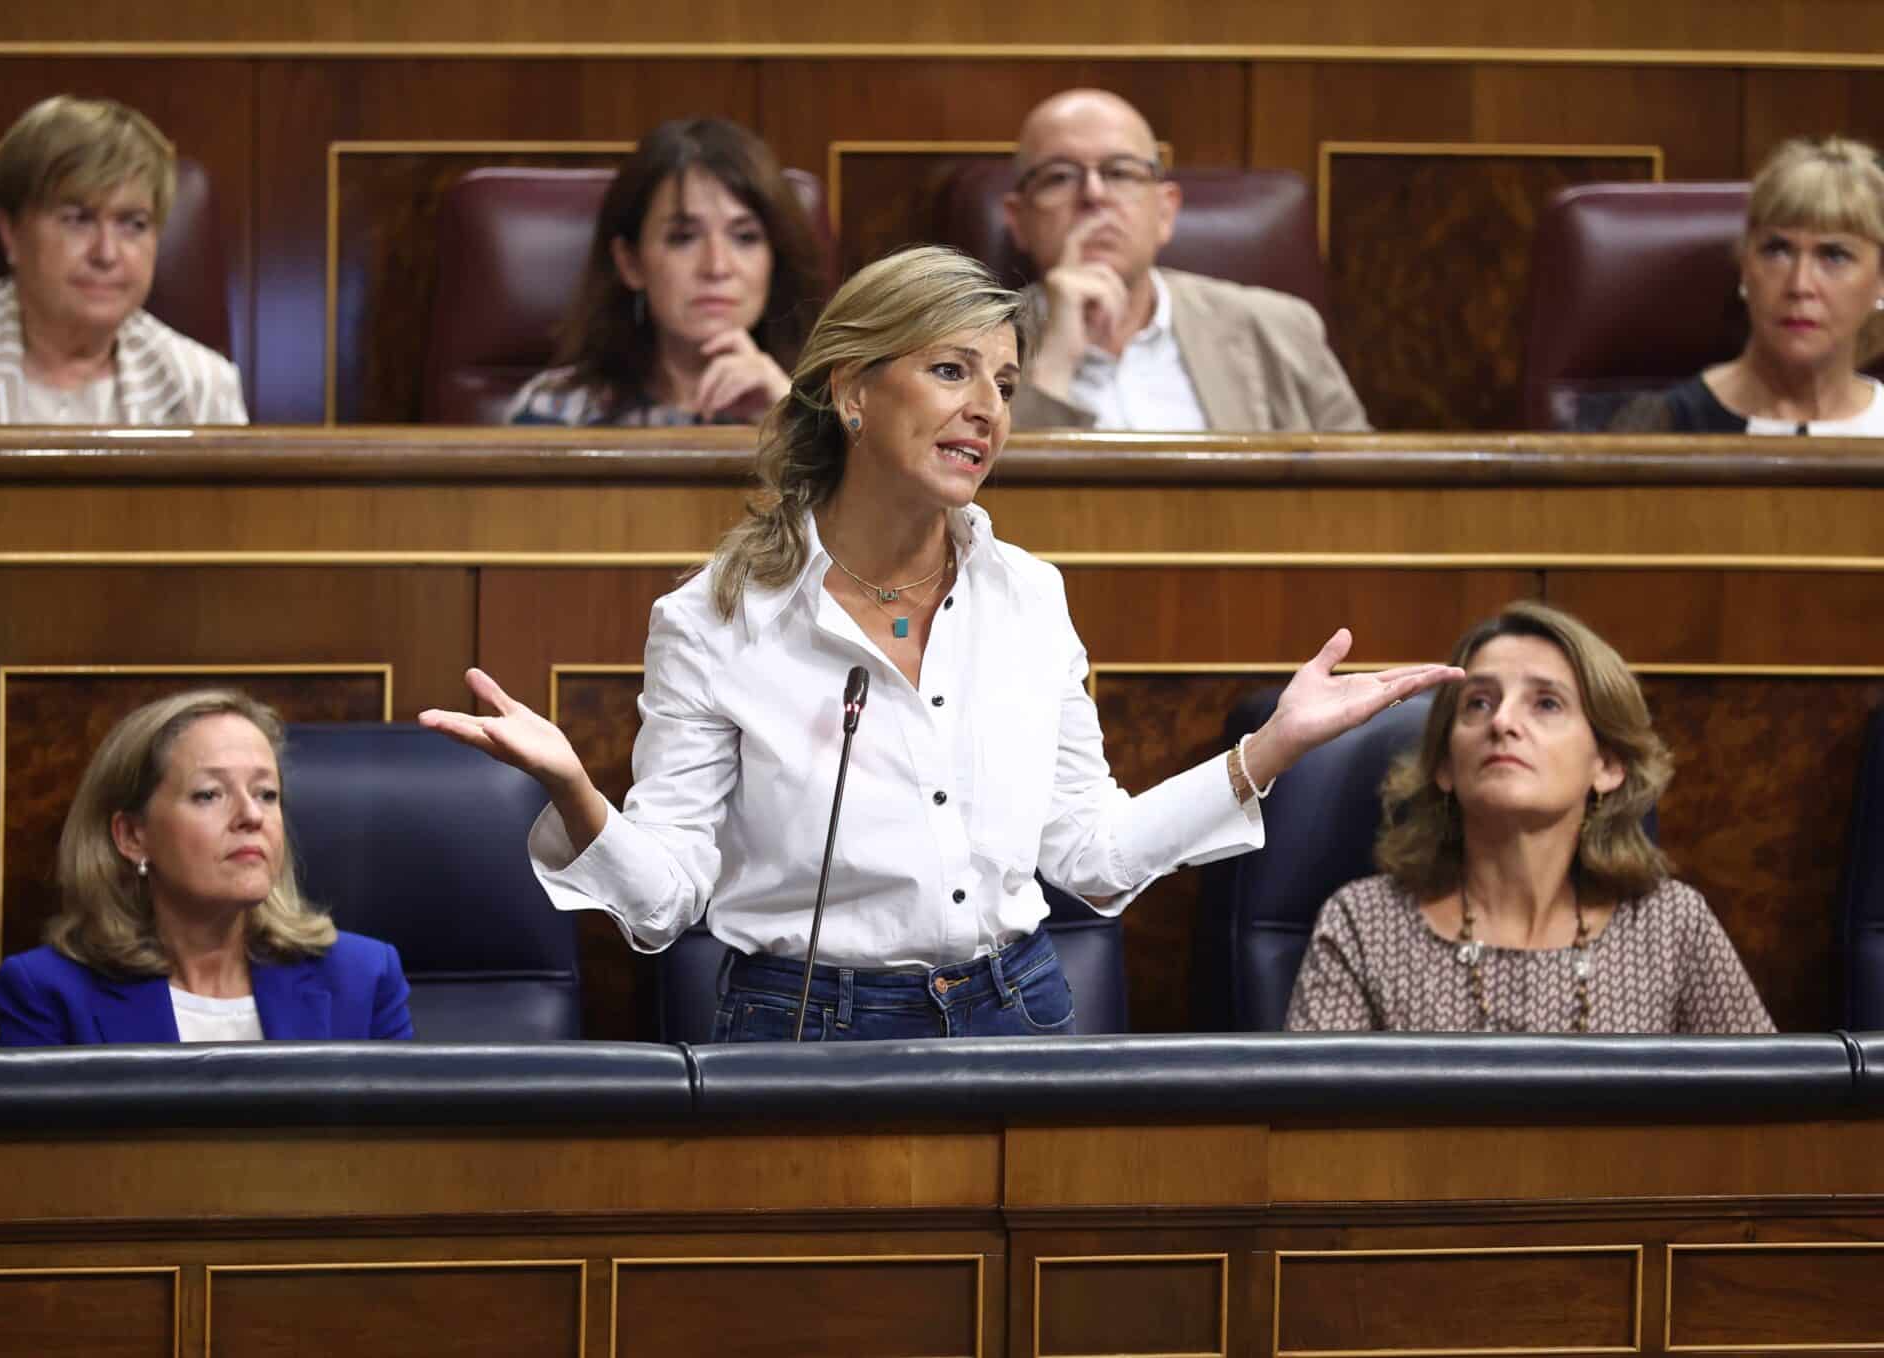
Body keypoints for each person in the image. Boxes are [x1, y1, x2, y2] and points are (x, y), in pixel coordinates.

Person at [424, 244, 1457, 1042]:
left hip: (1020, 1010)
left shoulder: (1029, 599)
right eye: (951, 370)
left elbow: (1089, 861)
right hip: (802, 1026)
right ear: (854, 390)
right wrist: (575, 793)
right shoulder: (714, 618)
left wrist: (1265, 750)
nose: (986, 411)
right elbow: (663, 904)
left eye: (1003, 383)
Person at [1286, 601, 1774, 1034]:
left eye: (1546, 703)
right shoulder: (1365, 925)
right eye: (1478, 703)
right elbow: (1305, 1128)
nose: (1502, 722)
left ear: (1606, 764)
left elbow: (1768, 1115)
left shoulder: (1672, 926)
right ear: (1444, 765)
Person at [0, 690, 412, 1044]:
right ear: (132, 836)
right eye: (210, 795)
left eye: (266, 793)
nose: (252, 816)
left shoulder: (363, 978)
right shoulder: (49, 994)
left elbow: (407, 1141)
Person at [0, 95, 246, 426]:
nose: (106, 253)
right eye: (77, 220)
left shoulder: (202, 384)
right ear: (12, 233)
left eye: (133, 224)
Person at [999, 88, 1367, 433]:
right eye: (1059, 177)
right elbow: (986, 492)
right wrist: (1054, 360)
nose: (1094, 194)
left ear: (1165, 212)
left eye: (1120, 172)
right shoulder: (974, 343)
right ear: (1019, 220)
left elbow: (1365, 483)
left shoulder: (1278, 329)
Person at [508, 117, 825, 427]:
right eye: (683, 238)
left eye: (745, 237)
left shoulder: (835, 406)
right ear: (631, 263)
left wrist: (790, 421)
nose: (716, 267)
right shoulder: (555, 411)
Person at [1612, 137, 1884, 435]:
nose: (1800, 284)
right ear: (1745, 267)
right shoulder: (1660, 426)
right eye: (1777, 250)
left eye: (1834, 255)